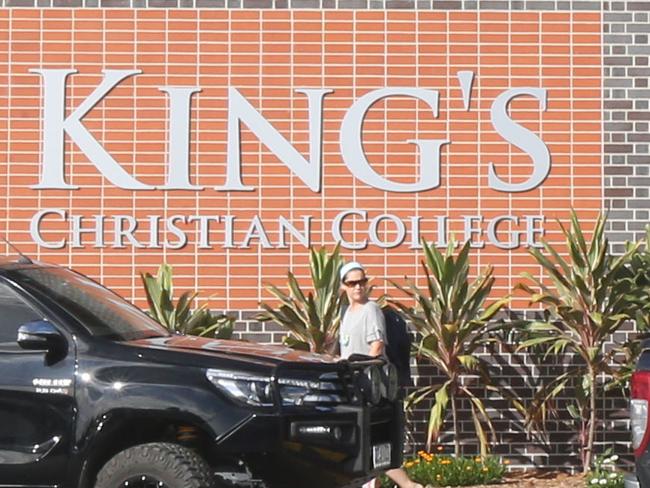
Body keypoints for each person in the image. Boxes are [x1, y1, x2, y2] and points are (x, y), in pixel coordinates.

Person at [339, 261, 423, 488]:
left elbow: (376, 345)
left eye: (362, 282)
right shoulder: (346, 313)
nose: (358, 287)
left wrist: (360, 368)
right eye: (352, 283)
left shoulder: (371, 309)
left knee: (373, 440)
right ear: (343, 287)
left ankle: (409, 485)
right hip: (354, 384)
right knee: (366, 441)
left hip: (373, 386)